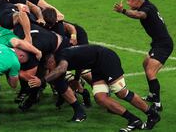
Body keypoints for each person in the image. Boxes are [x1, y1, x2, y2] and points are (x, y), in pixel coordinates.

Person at [29, 45, 161, 131]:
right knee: (100, 98)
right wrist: (76, 79)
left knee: (121, 93)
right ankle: (134, 120)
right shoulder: (63, 56)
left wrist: (42, 81)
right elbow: (79, 63)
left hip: (107, 59)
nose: (49, 70)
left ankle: (152, 114)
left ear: (51, 61)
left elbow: (62, 68)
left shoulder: (61, 58)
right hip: (97, 65)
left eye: (48, 67)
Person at [113, 0, 174, 111]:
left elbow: (138, 15)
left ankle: (157, 103)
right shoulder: (144, 1)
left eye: (130, 1)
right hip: (158, 43)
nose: (128, 3)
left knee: (150, 72)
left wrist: (123, 11)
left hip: (163, 45)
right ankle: (152, 95)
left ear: (137, 1)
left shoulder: (146, 10)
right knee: (145, 64)